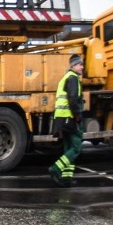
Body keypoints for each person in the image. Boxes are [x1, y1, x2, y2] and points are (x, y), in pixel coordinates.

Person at [48, 54, 84, 187]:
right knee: (76, 147)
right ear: (73, 66)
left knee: (68, 147)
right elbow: (73, 99)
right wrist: (77, 115)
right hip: (69, 117)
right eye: (80, 64)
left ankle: (67, 178)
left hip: (62, 118)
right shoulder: (73, 78)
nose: (82, 67)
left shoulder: (66, 77)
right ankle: (56, 168)